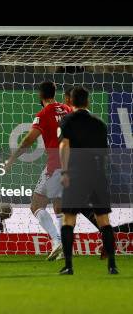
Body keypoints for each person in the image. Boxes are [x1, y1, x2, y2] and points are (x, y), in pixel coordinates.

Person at [6, 81, 70, 260]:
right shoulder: (67, 109)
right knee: (59, 206)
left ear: (40, 96)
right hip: (73, 163)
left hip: (55, 164)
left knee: (36, 205)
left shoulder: (43, 114)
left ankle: (57, 241)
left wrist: (11, 159)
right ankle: (64, 245)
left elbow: (28, 140)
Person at [58, 86, 118, 275]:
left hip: (76, 173)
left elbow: (64, 145)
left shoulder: (66, 120)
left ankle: (68, 266)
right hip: (97, 174)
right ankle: (112, 266)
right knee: (104, 221)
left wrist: (64, 172)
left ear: (70, 102)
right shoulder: (99, 123)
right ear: (88, 102)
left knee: (68, 219)